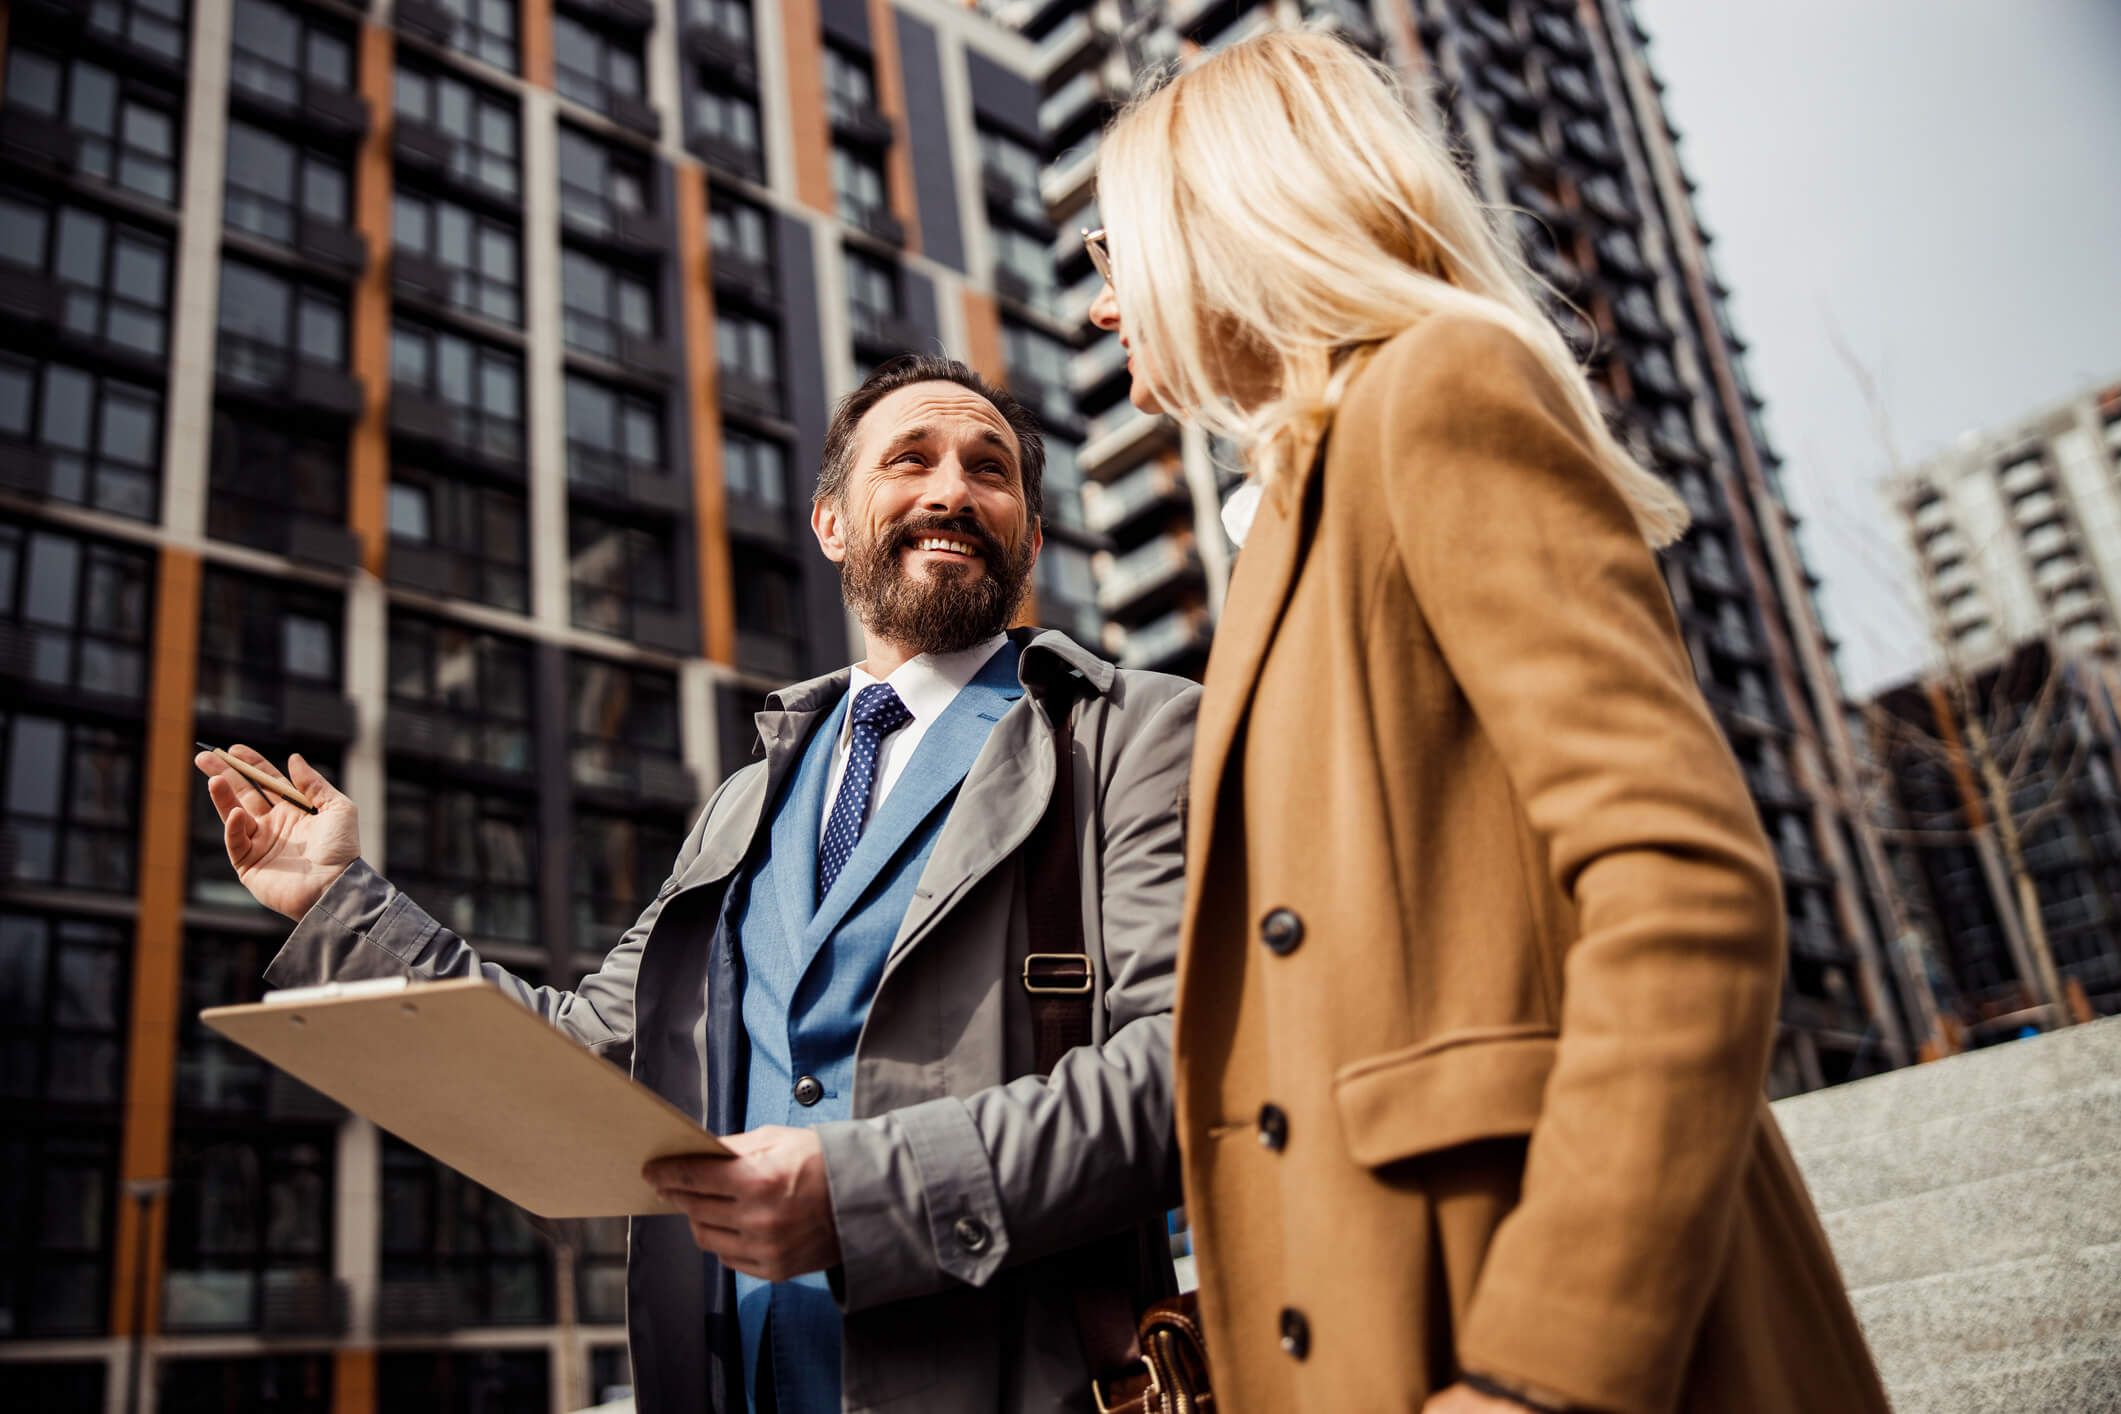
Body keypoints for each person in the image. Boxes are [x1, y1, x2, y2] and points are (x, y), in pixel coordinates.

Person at [1084, 31, 1890, 1414]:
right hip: (1398, 1309)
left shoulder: (1438, 390)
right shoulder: (1298, 505)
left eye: (1117, 248)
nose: (1105, 306)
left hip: (1527, 1313)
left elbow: (1682, 889)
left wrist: (1544, 1364)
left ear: (1228, 223)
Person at [196, 355, 1198, 1414]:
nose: (952, 487)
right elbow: (586, 1058)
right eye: (911, 459)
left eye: (989, 469)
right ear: (831, 524)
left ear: (1031, 538)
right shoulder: (744, 803)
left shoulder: (1132, 734)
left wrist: (861, 1196)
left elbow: (1180, 1075)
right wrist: (340, 900)